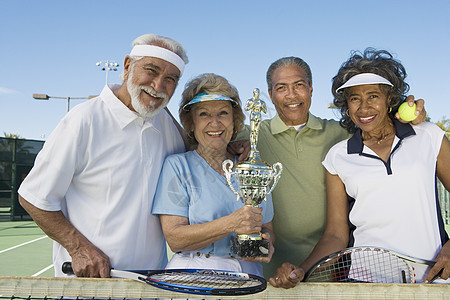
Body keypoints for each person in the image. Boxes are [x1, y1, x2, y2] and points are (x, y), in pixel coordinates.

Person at [269, 48, 450, 287]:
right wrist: (301, 270)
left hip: (432, 279)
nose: (364, 107)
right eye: (355, 98)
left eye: (373, 96)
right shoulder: (338, 156)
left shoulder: (429, 136)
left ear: (390, 98)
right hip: (365, 283)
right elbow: (336, 234)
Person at [235, 56, 427, 279]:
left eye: (299, 85)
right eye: (281, 88)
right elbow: (211, 140)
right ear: (270, 94)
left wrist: (412, 115)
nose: (292, 95)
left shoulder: (340, 134)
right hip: (269, 266)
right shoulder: (252, 135)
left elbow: (378, 125)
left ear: (311, 88)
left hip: (330, 265)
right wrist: (233, 144)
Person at [18, 33, 189, 277]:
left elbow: (199, 154)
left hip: (151, 284)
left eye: (170, 79)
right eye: (151, 70)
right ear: (128, 65)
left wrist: (235, 147)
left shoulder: (168, 127)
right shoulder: (84, 120)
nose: (158, 85)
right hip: (89, 286)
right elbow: (33, 196)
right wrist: (78, 248)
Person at [152, 73, 274, 276]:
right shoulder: (178, 166)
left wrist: (265, 243)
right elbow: (175, 238)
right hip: (193, 275)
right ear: (191, 123)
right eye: (204, 114)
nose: (215, 123)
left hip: (249, 275)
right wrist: (231, 223)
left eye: (223, 113)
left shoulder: (252, 169)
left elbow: (267, 228)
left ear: (234, 120)